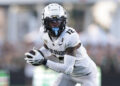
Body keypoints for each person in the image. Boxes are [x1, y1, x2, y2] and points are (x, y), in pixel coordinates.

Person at [25, 3, 99, 86]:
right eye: (52, 22)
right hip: (69, 75)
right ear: (45, 22)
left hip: (86, 74)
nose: (56, 24)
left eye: (58, 21)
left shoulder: (70, 36)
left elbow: (67, 68)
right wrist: (39, 53)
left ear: (64, 21)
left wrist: (43, 61)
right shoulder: (43, 32)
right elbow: (48, 48)